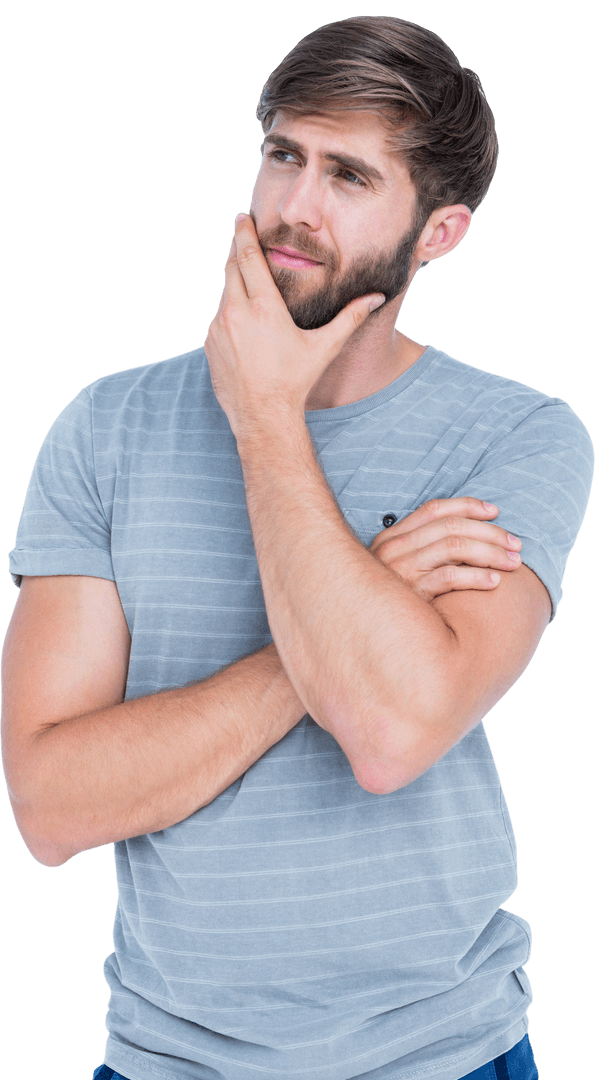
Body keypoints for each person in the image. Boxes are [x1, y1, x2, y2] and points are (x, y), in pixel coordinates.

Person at [3, 15, 592, 1080]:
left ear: (439, 232)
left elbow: (388, 733)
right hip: (161, 1060)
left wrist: (266, 419)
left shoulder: (517, 435)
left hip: (441, 1055)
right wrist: (352, 612)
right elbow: (49, 805)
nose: (294, 209)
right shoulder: (106, 424)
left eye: (350, 177)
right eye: (285, 156)